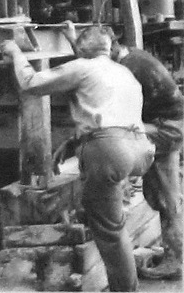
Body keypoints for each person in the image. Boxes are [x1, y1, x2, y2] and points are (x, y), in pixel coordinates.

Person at [1, 27, 155, 292]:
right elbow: (109, 114)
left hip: (110, 152)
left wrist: (15, 53)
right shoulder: (123, 72)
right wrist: (75, 143)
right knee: (111, 218)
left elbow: (31, 84)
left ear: (82, 50)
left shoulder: (82, 66)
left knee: (110, 231)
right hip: (140, 149)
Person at [62, 21, 183, 280]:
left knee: (166, 197)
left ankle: (174, 261)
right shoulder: (125, 58)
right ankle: (172, 256)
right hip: (161, 124)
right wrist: (73, 40)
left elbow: (95, 73)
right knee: (160, 194)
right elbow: (94, 61)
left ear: (112, 47)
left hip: (167, 128)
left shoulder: (129, 67)